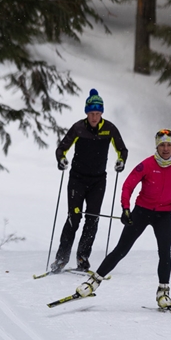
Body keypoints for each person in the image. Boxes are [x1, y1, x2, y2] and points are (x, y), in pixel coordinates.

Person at [77, 128, 171, 308]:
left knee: (165, 252)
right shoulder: (147, 165)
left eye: (169, 145)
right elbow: (128, 186)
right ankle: (92, 283)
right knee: (121, 250)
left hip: (163, 214)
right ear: (156, 146)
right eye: (162, 145)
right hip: (141, 211)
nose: (165, 149)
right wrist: (126, 209)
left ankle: (163, 293)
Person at [51, 89, 128, 273]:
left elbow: (122, 150)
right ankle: (61, 259)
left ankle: (82, 258)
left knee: (92, 220)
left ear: (101, 113)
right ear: (87, 113)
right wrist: (61, 160)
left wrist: (120, 162)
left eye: (97, 113)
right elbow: (61, 149)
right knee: (73, 218)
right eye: (91, 113)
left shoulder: (109, 128)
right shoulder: (78, 128)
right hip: (77, 179)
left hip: (98, 182)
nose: (94, 117)